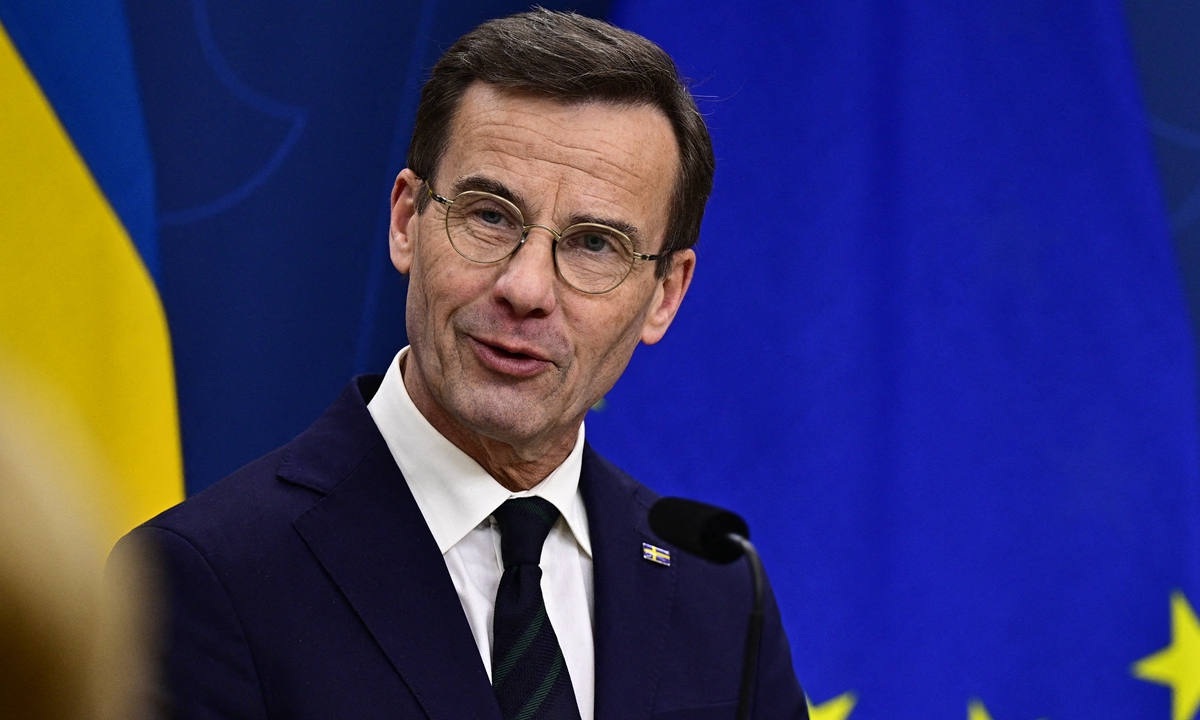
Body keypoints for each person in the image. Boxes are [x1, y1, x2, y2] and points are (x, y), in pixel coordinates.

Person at [113, 9, 808, 719]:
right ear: (408, 220)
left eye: (596, 245)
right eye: (490, 216)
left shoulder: (717, 592)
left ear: (665, 293)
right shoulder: (200, 579)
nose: (526, 289)